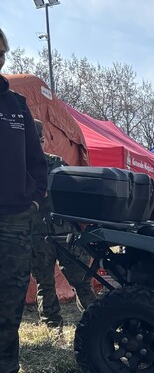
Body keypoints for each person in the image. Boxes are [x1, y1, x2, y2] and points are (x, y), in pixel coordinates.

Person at [0, 27, 47, 373]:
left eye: (1, 52)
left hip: (15, 217)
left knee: (10, 298)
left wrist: (34, 198)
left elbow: (36, 158)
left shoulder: (16, 104)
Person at [29, 119, 96, 335]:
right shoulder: (20, 169)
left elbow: (75, 195)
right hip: (38, 235)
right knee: (45, 284)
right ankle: (52, 328)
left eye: (39, 140)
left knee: (81, 279)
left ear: (44, 141)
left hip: (65, 232)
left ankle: (96, 321)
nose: (37, 145)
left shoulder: (58, 165)